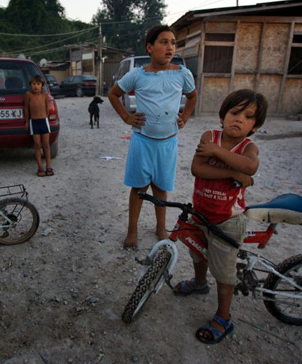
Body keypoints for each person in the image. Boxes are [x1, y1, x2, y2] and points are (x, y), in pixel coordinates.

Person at [174, 89, 268, 344]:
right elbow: (197, 168)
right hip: (200, 212)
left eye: (248, 117)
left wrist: (216, 153)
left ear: (255, 126)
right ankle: (199, 283)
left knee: (225, 273)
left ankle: (223, 318)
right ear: (223, 115)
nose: (239, 119)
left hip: (227, 220)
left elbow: (250, 167)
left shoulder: (249, 146)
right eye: (234, 112)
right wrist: (232, 173)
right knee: (197, 252)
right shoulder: (210, 136)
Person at [108, 25, 198, 249]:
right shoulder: (137, 75)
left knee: (160, 188)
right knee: (138, 188)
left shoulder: (182, 74)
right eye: (163, 42)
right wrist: (126, 118)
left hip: (168, 143)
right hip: (142, 141)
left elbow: (193, 96)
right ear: (150, 47)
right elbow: (113, 94)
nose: (169, 47)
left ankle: (160, 227)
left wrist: (184, 116)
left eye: (173, 43)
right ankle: (132, 230)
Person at [24, 74, 53, 177]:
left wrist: (48, 120)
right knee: (37, 145)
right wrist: (27, 122)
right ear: (30, 85)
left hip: (44, 121)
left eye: (38, 84)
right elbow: (26, 108)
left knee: (46, 144)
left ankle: (49, 166)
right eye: (33, 84)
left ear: (42, 85)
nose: (36, 86)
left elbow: (47, 108)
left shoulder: (45, 95)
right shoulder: (28, 95)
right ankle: (40, 167)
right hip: (34, 122)